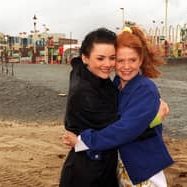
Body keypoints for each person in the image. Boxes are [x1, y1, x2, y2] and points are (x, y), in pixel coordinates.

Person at [63, 26, 174, 187]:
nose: (126, 66)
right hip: (122, 166)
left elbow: (124, 129)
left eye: (133, 60)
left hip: (143, 168)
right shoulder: (115, 85)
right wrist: (155, 119)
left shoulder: (145, 88)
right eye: (120, 60)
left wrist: (83, 141)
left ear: (141, 60)